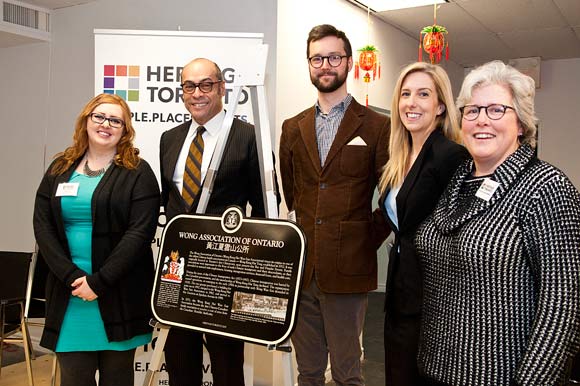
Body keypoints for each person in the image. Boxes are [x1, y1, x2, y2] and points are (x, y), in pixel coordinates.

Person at [415, 60, 580, 385]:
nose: (481, 121)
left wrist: (533, 380)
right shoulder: (457, 180)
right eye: (473, 111)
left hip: (502, 375)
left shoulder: (546, 187)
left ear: (520, 123)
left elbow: (563, 303)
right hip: (435, 368)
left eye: (495, 110)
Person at [279, 24, 390, 386]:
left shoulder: (377, 126)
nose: (325, 65)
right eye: (317, 58)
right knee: (308, 373)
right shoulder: (292, 127)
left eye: (333, 57)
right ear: (309, 65)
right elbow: (291, 192)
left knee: (347, 374)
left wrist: (360, 239)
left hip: (349, 270)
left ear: (348, 62)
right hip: (303, 269)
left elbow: (390, 197)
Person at [33, 93, 160, 386]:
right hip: (70, 293)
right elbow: (42, 225)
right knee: (74, 378)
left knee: (117, 377)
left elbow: (139, 233)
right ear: (86, 121)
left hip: (118, 292)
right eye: (99, 116)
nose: (106, 124)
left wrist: (99, 282)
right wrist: (73, 278)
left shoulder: (137, 172)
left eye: (115, 120)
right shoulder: (59, 168)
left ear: (125, 129)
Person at [160, 57, 272, 386]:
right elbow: (169, 200)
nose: (197, 93)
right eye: (189, 86)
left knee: (226, 365)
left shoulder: (249, 136)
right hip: (176, 270)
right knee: (179, 360)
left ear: (222, 88)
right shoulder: (170, 138)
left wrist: (251, 270)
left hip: (224, 272)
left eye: (206, 85)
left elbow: (265, 210)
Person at [378, 62, 468, 386]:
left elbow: (459, 232)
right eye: (405, 94)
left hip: (433, 298)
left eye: (423, 94)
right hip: (400, 290)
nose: (411, 103)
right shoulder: (399, 157)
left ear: (440, 105)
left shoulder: (451, 156)